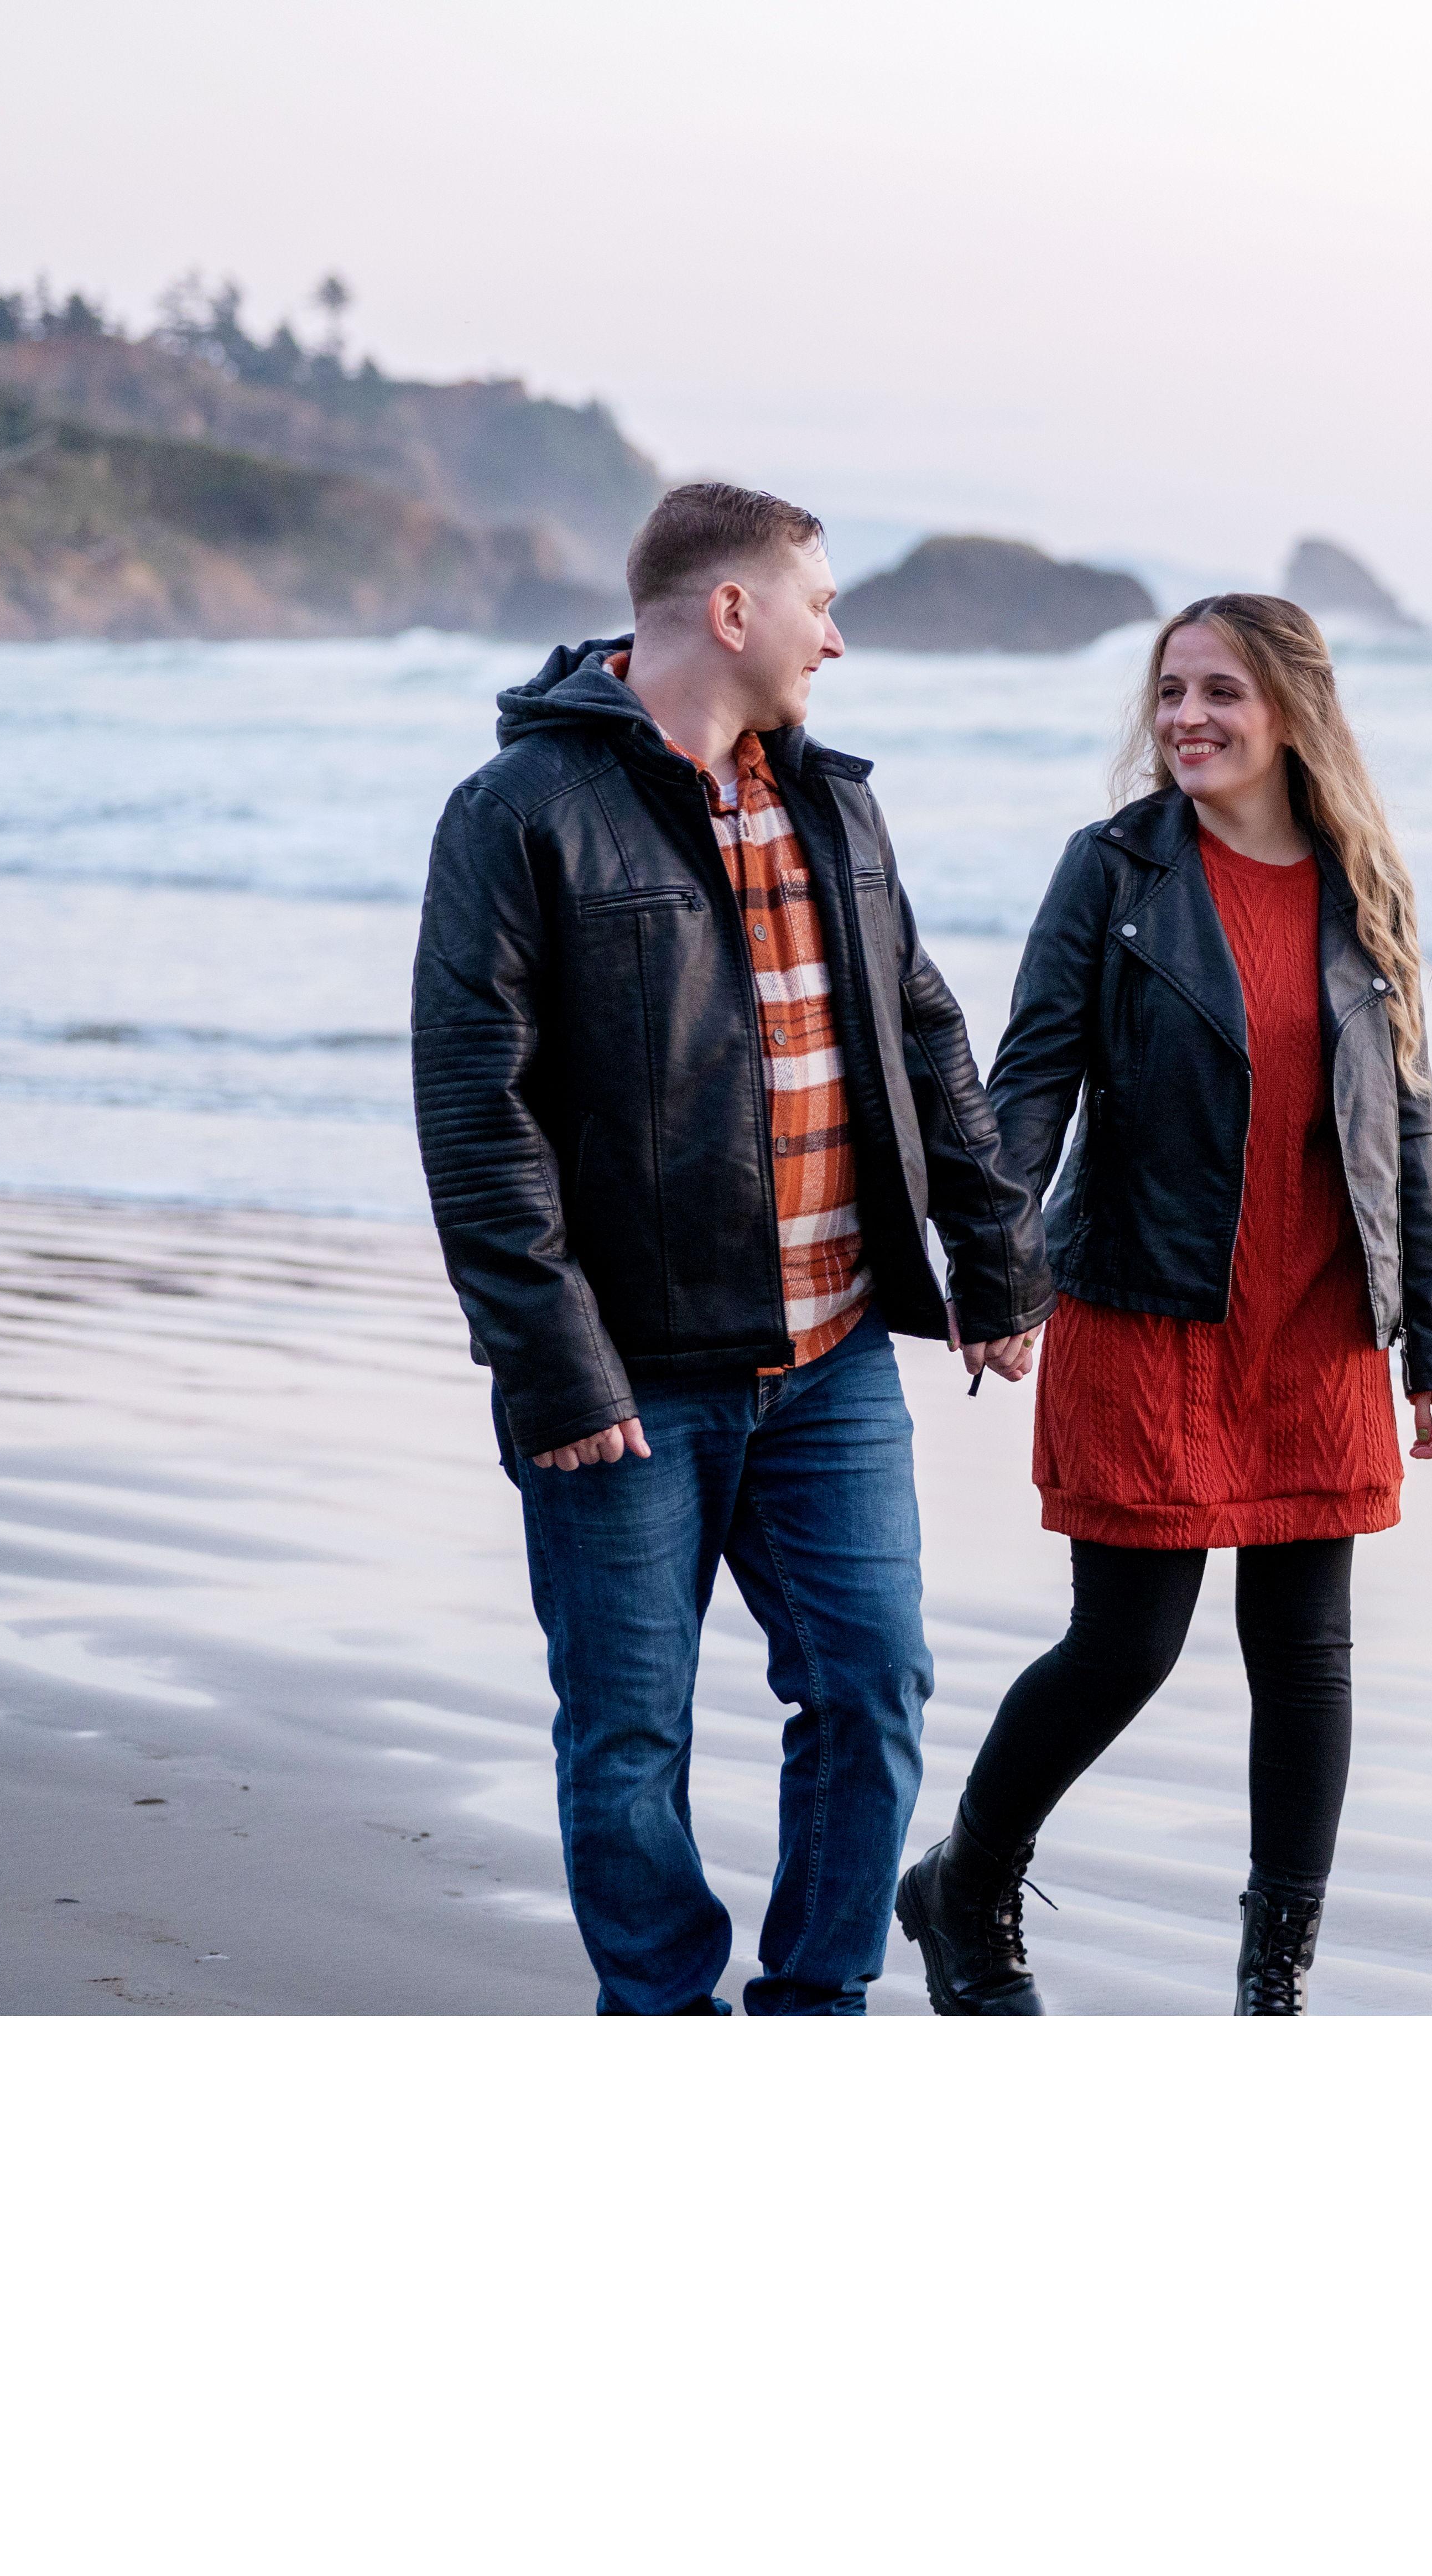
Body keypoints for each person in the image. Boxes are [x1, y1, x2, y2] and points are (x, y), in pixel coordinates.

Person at [411, 480, 1051, 2014]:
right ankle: (662, 2020)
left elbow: (923, 1028)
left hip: (834, 1357)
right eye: (819, 605)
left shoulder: (835, 801)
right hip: (628, 1375)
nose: (836, 639)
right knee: (630, 1731)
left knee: (875, 1687)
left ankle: (816, 2009)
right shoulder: (518, 812)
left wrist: (997, 1256)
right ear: (731, 610)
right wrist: (554, 1365)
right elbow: (475, 1112)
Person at [897, 593, 1432, 2017]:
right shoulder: (1116, 871)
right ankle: (966, 1880)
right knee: (1126, 1646)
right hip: (1149, 1305)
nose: (1187, 719)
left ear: (1295, 712)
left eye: (1220, 691)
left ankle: (1274, 1991)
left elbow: (1405, 1127)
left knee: (1310, 1656)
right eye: (1170, 692)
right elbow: (1033, 1078)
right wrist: (1000, 1268)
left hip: (1321, 1323)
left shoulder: (1364, 885)